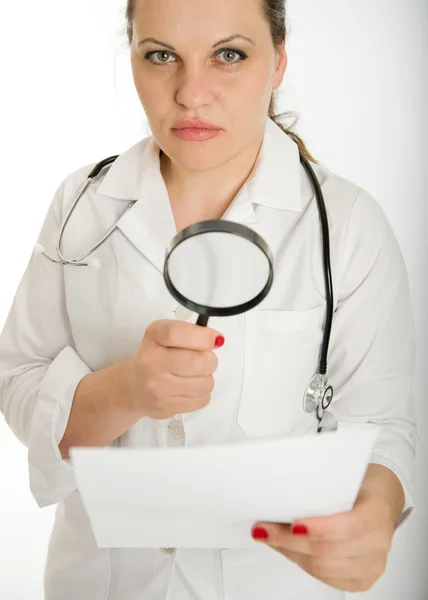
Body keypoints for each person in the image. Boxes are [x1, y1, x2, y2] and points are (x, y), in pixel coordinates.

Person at [0, 0, 418, 598]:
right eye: (162, 56)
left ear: (277, 62)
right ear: (134, 57)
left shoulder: (347, 223)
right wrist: (126, 390)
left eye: (229, 55)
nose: (191, 95)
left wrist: (375, 510)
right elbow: (17, 377)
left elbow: (379, 424)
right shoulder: (81, 205)